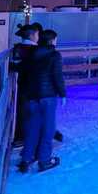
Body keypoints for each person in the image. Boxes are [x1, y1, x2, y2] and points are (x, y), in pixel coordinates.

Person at [19, 29, 66, 173]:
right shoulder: (54, 55)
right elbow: (57, 76)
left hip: (32, 96)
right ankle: (44, 160)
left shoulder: (32, 53)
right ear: (51, 40)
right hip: (47, 97)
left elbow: (23, 71)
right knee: (48, 129)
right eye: (56, 39)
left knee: (33, 127)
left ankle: (26, 160)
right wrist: (62, 93)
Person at [10, 23, 40, 148]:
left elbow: (14, 65)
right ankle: (25, 137)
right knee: (33, 111)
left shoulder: (17, 48)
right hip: (34, 85)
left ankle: (21, 136)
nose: (38, 37)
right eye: (37, 34)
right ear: (32, 35)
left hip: (23, 84)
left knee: (22, 110)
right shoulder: (36, 50)